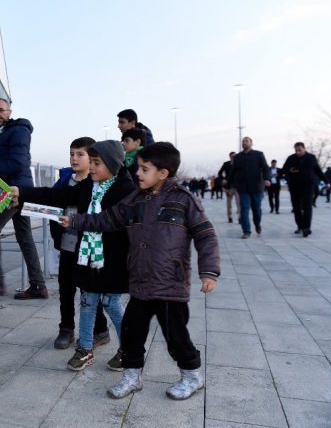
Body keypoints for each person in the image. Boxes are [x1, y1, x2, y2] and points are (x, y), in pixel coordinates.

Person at [62, 142, 220, 401]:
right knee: (131, 334)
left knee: (176, 337)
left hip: (170, 286)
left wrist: (209, 271)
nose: (138, 173)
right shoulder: (135, 200)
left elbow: (206, 235)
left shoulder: (183, 200)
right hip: (141, 284)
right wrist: (77, 220)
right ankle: (132, 377)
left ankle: (192, 377)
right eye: (139, 168)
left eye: (145, 169)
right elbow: (107, 219)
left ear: (163, 173)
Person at [13, 140, 134, 371]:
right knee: (87, 300)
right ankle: (85, 349)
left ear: (112, 164)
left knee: (111, 303)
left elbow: (114, 223)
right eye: (93, 162)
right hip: (86, 256)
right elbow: (57, 195)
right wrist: (23, 192)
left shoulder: (125, 190)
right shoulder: (88, 185)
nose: (93, 168)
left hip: (112, 260)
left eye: (97, 163)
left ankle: (129, 349)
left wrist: (79, 221)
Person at [44, 137, 111, 350]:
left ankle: (100, 329)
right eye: (71, 153)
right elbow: (51, 200)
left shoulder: (97, 184)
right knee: (65, 286)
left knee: (90, 289)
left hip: (88, 246)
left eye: (80, 154)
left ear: (91, 159)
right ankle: (66, 329)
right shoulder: (64, 180)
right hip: (67, 243)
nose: (74, 158)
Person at [0, 98, 48, 299]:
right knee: (24, 236)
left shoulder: (18, 130)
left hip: (13, 190)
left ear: (9, 111)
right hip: (15, 186)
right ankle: (38, 285)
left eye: (1, 110)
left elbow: (17, 162)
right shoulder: (1, 132)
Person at [281, 142, 331, 237]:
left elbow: (318, 170)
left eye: (299, 150)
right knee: (296, 208)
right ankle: (300, 226)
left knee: (307, 206)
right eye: (296, 150)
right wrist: (290, 170)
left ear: (304, 148)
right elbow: (283, 170)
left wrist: (326, 182)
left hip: (308, 186)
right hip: (294, 186)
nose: (298, 152)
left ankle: (306, 228)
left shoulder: (311, 158)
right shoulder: (291, 158)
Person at [229, 137, 271, 239]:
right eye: (243, 141)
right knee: (244, 209)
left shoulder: (259, 154)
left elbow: (265, 168)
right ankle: (246, 231)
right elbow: (233, 172)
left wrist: (267, 179)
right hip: (243, 188)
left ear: (251, 143)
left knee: (257, 210)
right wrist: (228, 186)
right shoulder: (238, 157)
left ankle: (257, 224)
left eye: (246, 141)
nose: (244, 142)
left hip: (256, 187)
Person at [219, 152, 240, 223]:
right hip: (228, 186)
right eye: (231, 156)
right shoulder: (226, 164)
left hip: (238, 186)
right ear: (229, 157)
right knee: (229, 203)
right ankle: (229, 217)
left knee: (239, 203)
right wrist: (223, 179)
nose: (233, 157)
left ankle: (240, 217)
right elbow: (220, 172)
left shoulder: (239, 164)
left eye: (234, 156)